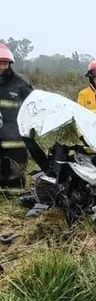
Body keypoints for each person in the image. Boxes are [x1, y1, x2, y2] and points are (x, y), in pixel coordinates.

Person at [0, 44, 33, 193]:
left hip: (16, 139)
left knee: (15, 180)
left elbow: (33, 106)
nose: (2, 67)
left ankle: (15, 194)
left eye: (5, 63)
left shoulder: (20, 82)